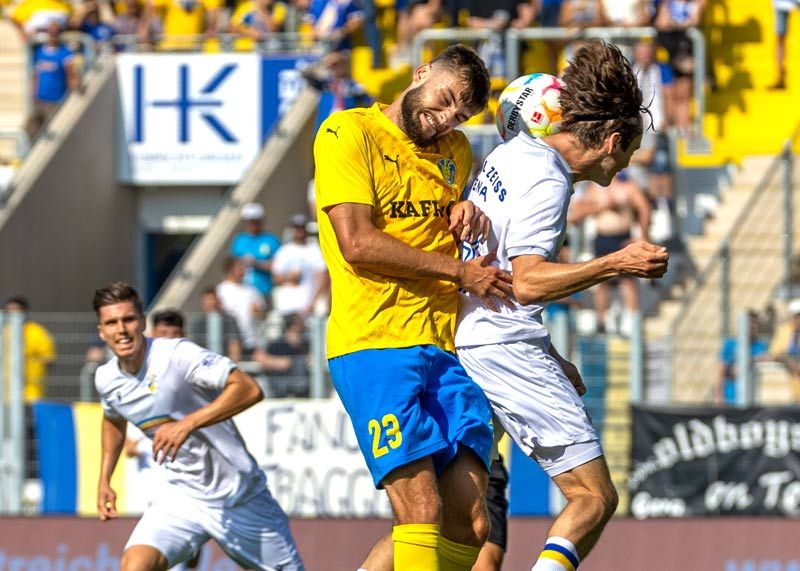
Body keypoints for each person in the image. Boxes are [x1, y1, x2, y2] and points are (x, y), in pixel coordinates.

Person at [455, 40, 669, 571]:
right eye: (626, 156)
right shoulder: (549, 178)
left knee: (454, 522)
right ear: (612, 140)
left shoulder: (512, 151)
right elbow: (525, 283)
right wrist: (616, 263)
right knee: (594, 498)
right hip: (501, 349)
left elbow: (499, 267)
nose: (621, 170)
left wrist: (550, 354)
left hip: (461, 339)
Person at [314, 44, 513, 570]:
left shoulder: (458, 151)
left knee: (472, 524)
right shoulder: (345, 132)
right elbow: (357, 242)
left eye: (461, 114)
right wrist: (458, 271)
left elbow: (446, 220)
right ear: (421, 73)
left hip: (446, 348)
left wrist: (465, 206)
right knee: (419, 511)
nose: (446, 117)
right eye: (445, 99)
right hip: (375, 346)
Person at [93, 282, 304, 570]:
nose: (121, 329)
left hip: (238, 494)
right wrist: (105, 478)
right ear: (101, 331)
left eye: (128, 319)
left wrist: (187, 424)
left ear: (142, 321)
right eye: (111, 322)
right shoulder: (106, 379)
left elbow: (248, 388)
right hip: (181, 495)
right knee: (135, 565)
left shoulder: (177, 354)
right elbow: (113, 420)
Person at [25, 21, 81, 141]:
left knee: (53, 132)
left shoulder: (65, 53)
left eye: (56, 32)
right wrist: (33, 94)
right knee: (31, 130)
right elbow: (35, 75)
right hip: (40, 99)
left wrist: (75, 88)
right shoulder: (39, 52)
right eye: (51, 32)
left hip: (56, 100)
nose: (53, 35)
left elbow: (71, 75)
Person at [271, 214, 329, 316]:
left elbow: (323, 278)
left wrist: (312, 303)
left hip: (308, 309)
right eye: (296, 228)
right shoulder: (283, 251)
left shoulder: (314, 250)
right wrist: (289, 277)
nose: (298, 231)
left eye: (301, 228)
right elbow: (275, 278)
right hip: (286, 308)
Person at [3, 296, 56, 402]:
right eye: (9, 311)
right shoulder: (3, 332)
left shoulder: (37, 332)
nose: (12, 314)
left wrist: (31, 361)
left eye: (16, 310)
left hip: (31, 390)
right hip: (5, 391)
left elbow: (49, 359)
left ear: (24, 312)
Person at [230, 203, 282, 302]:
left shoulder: (271, 240)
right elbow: (232, 266)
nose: (252, 224)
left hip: (265, 291)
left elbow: (279, 265)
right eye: (249, 221)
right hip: (243, 292)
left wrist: (257, 263)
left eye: (255, 221)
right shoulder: (239, 240)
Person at [216, 256, 267, 357]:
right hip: (230, 342)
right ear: (231, 269)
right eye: (240, 267)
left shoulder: (252, 290)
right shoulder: (221, 290)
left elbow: (263, 313)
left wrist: (258, 311)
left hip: (252, 341)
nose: (244, 270)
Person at [717, 310, 770, 405]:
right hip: (732, 399)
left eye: (755, 323)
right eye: (750, 322)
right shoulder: (730, 344)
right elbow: (720, 372)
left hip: (755, 398)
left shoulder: (761, 346)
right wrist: (719, 397)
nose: (753, 326)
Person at [189, 286, 243, 362]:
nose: (209, 303)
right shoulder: (197, 322)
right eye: (206, 300)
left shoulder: (229, 320)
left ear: (218, 301)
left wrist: (232, 364)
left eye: (211, 299)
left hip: (225, 362)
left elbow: (234, 343)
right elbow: (194, 347)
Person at [770, 298, 800, 398]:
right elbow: (775, 353)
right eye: (796, 316)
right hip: (786, 391)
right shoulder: (783, 331)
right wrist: (789, 360)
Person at [771, 0, 799, 89]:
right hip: (781, 3)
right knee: (780, 38)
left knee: (780, 39)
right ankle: (780, 78)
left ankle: (780, 79)